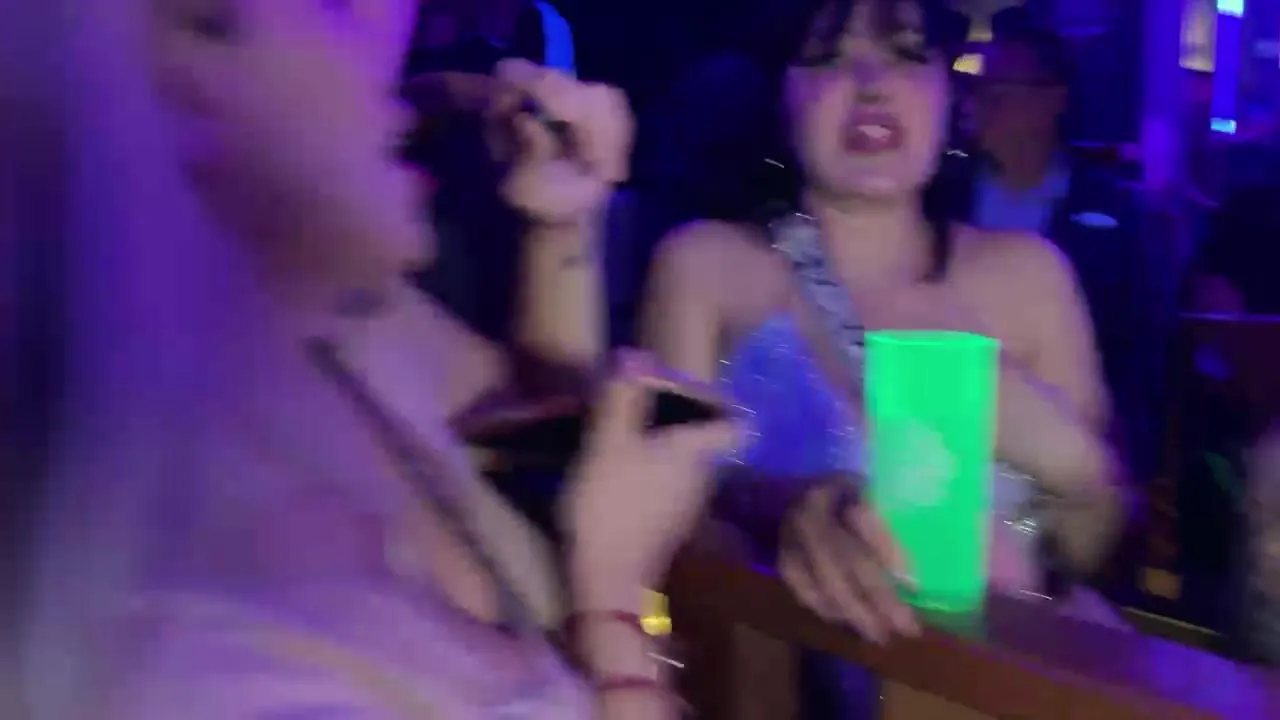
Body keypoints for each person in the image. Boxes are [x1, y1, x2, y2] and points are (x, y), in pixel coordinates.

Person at [23, 1, 734, 719]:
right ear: (178, 97)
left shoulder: (354, 344)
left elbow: (536, 435)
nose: (398, 24)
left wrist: (560, 225)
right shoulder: (200, 647)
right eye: (334, 9)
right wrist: (615, 595)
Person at [642, 0, 1128, 648]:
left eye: (906, 54)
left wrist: (1078, 468)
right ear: (782, 98)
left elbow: (1093, 547)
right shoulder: (706, 268)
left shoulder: (1032, 276)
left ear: (949, 93)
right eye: (829, 58)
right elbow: (651, 529)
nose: (871, 84)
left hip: (995, 673)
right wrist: (782, 508)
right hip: (769, 675)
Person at [937, 20, 1167, 485]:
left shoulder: (1113, 212)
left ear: (1053, 101)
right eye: (978, 92)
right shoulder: (941, 201)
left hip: (1071, 456)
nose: (978, 107)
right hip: (949, 446)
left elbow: (1143, 353)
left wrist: (1124, 469)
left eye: (999, 94)